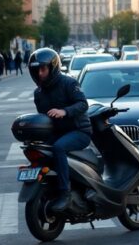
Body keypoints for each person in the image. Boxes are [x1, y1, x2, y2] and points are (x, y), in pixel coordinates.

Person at [28, 48, 91, 212]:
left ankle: (65, 193)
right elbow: (42, 118)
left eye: (43, 69)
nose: (40, 73)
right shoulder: (38, 93)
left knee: (58, 148)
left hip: (78, 131)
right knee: (38, 150)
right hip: (57, 133)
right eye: (37, 70)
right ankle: (47, 187)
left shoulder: (69, 83)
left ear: (53, 67)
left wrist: (65, 111)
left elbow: (83, 104)